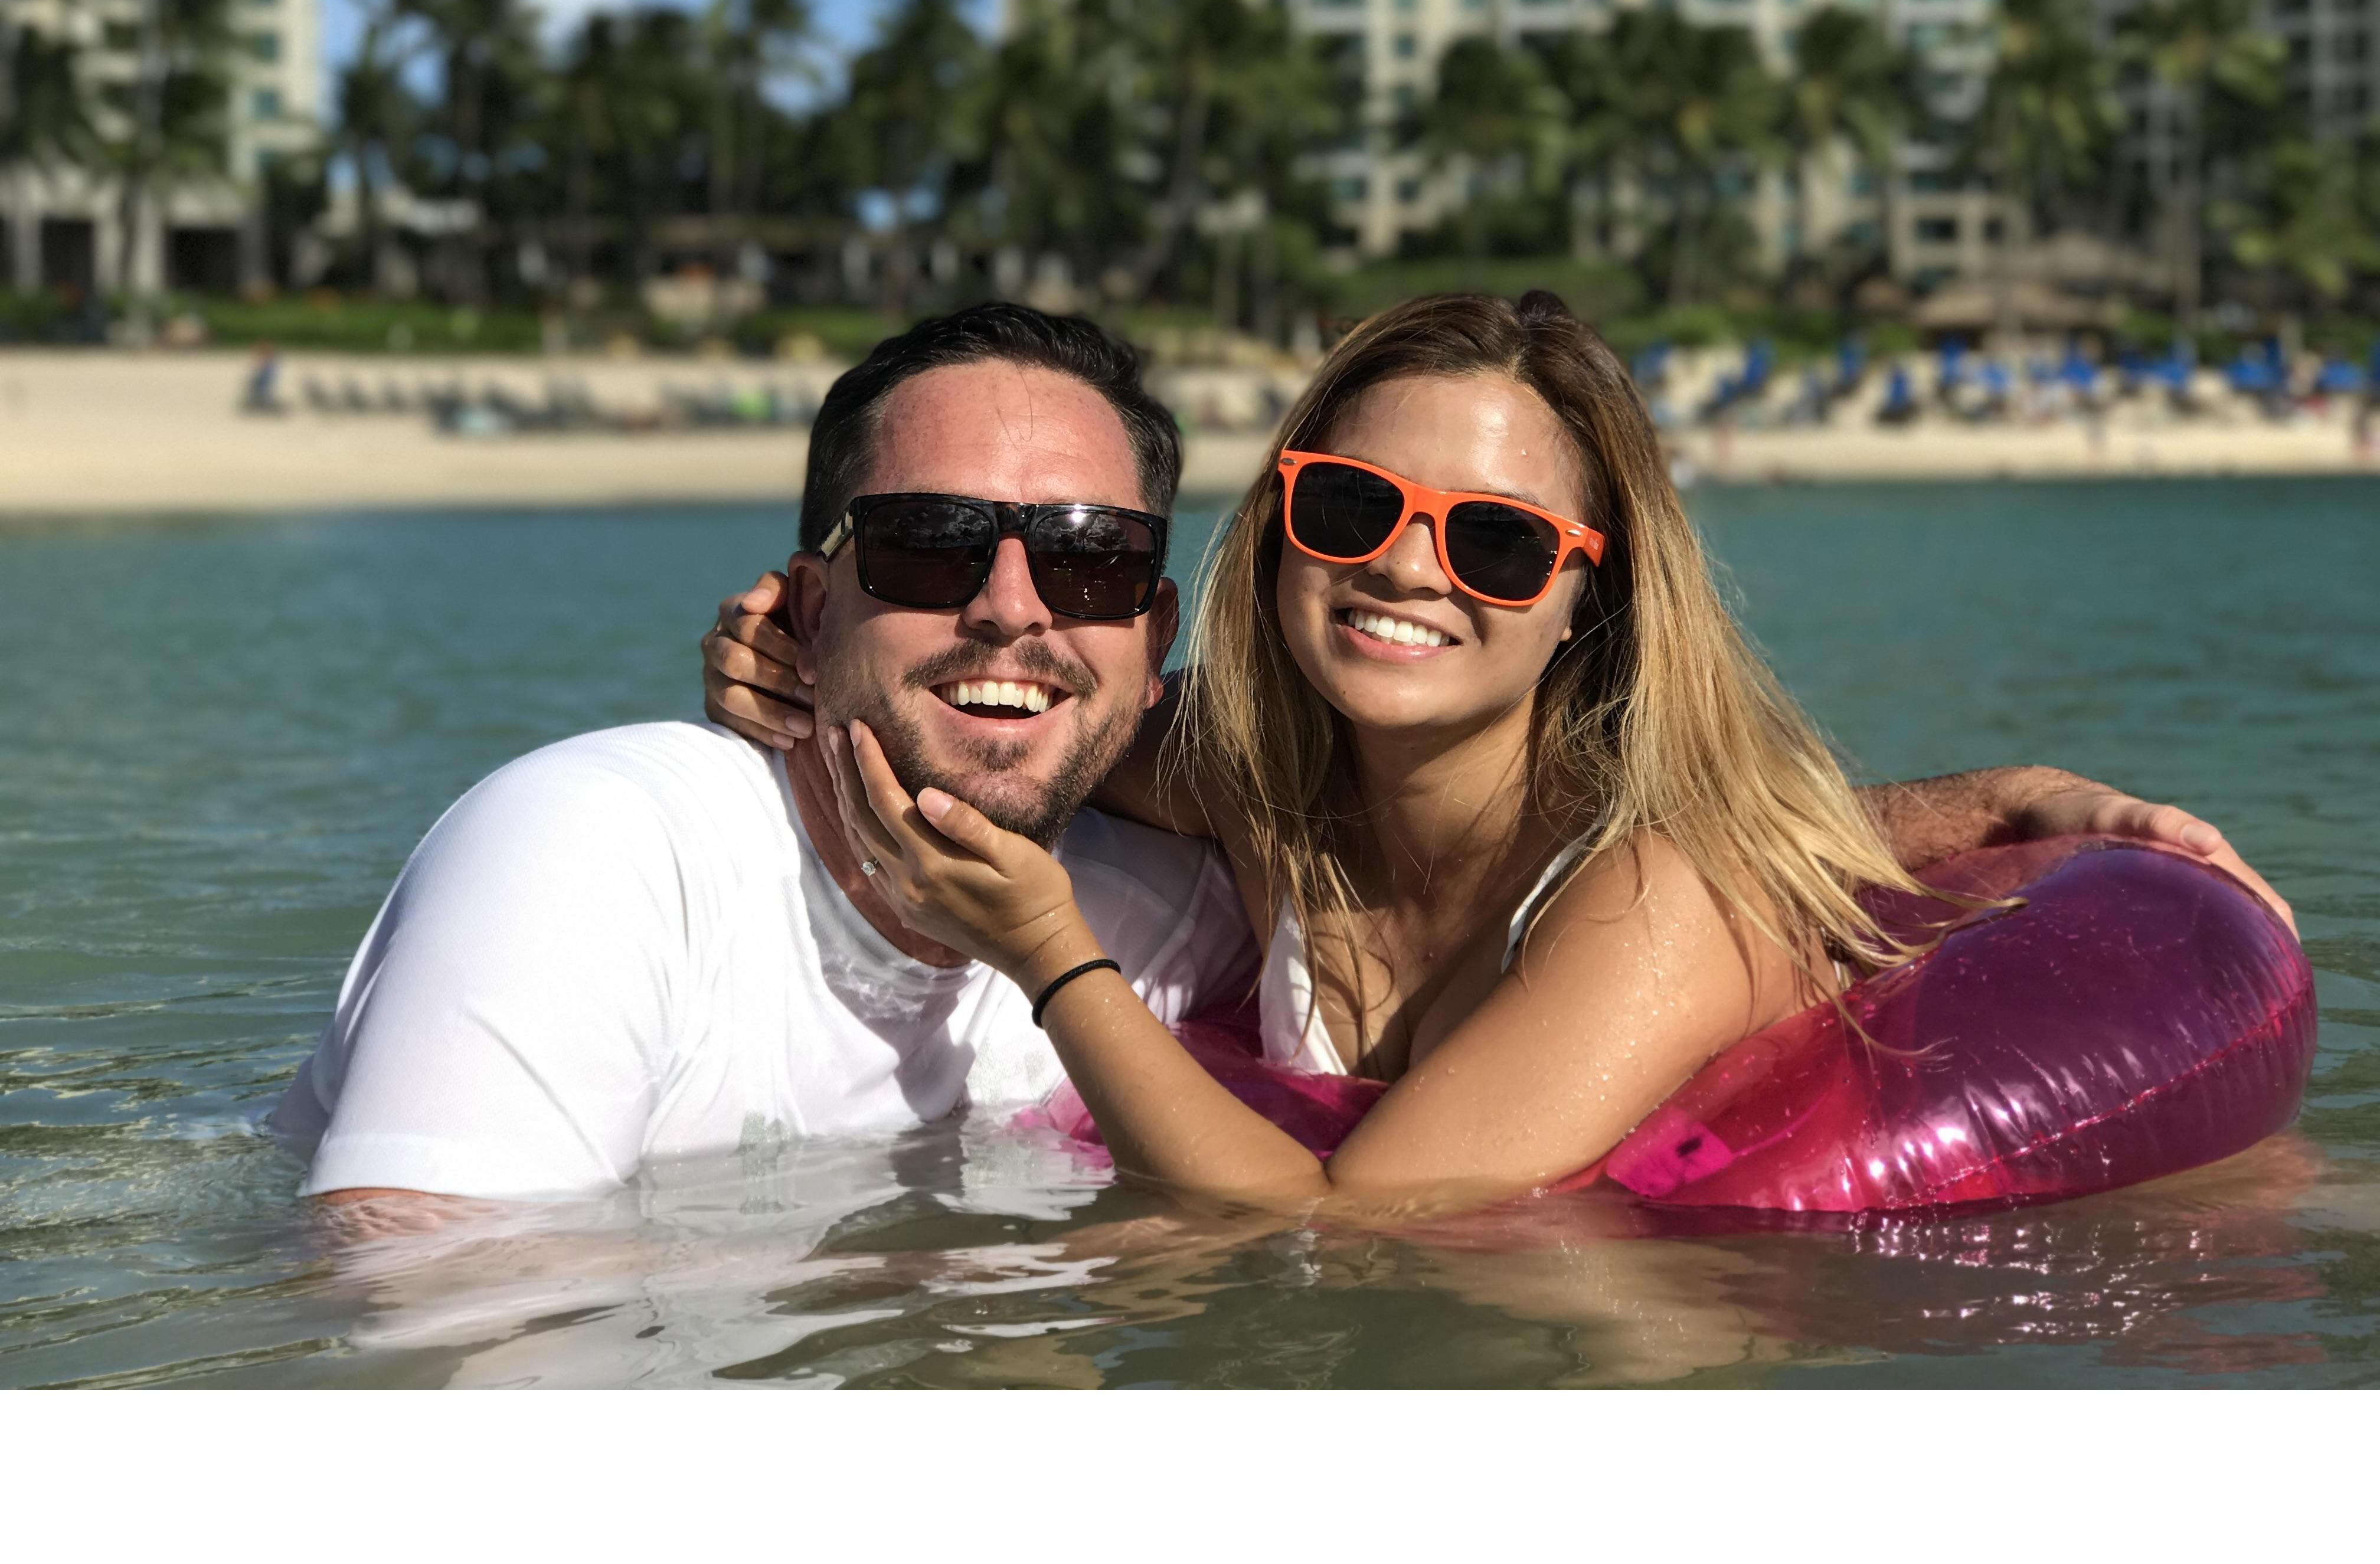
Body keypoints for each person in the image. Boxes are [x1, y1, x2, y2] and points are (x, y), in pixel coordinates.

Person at [705, 291, 2292, 1218]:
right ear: (1278, 536)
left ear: (1581, 597)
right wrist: (818, 639)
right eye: (1349, 507)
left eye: (1495, 542)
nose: (1406, 568)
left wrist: (1054, 957)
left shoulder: (1655, 906)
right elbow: (1026, 710)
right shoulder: (1259, 779)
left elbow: (1352, 1232)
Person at [273, 305, 1261, 1221]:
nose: (1012, 607)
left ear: (1154, 632)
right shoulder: (602, 852)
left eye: (1093, 558)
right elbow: (419, 1307)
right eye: (928, 544)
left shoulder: (1187, 917)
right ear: (815, 612)